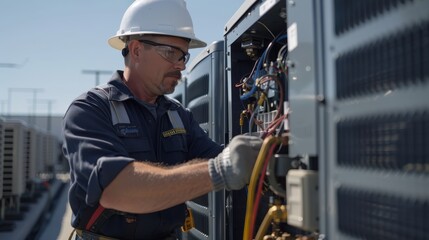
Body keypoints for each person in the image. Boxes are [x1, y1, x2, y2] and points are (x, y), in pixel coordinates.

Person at [62, 0, 263, 239]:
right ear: (136, 50)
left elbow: (218, 158)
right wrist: (221, 170)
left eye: (184, 56)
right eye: (171, 53)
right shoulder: (90, 110)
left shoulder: (177, 116)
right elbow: (116, 190)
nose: (180, 65)